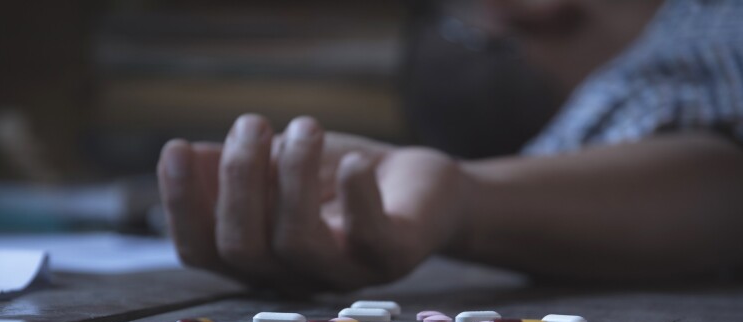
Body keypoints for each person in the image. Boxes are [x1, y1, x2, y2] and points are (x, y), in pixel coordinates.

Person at [157, 0, 743, 292]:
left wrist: (467, 197)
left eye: (468, 23)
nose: (487, 23)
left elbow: (721, 179)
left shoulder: (706, 32)